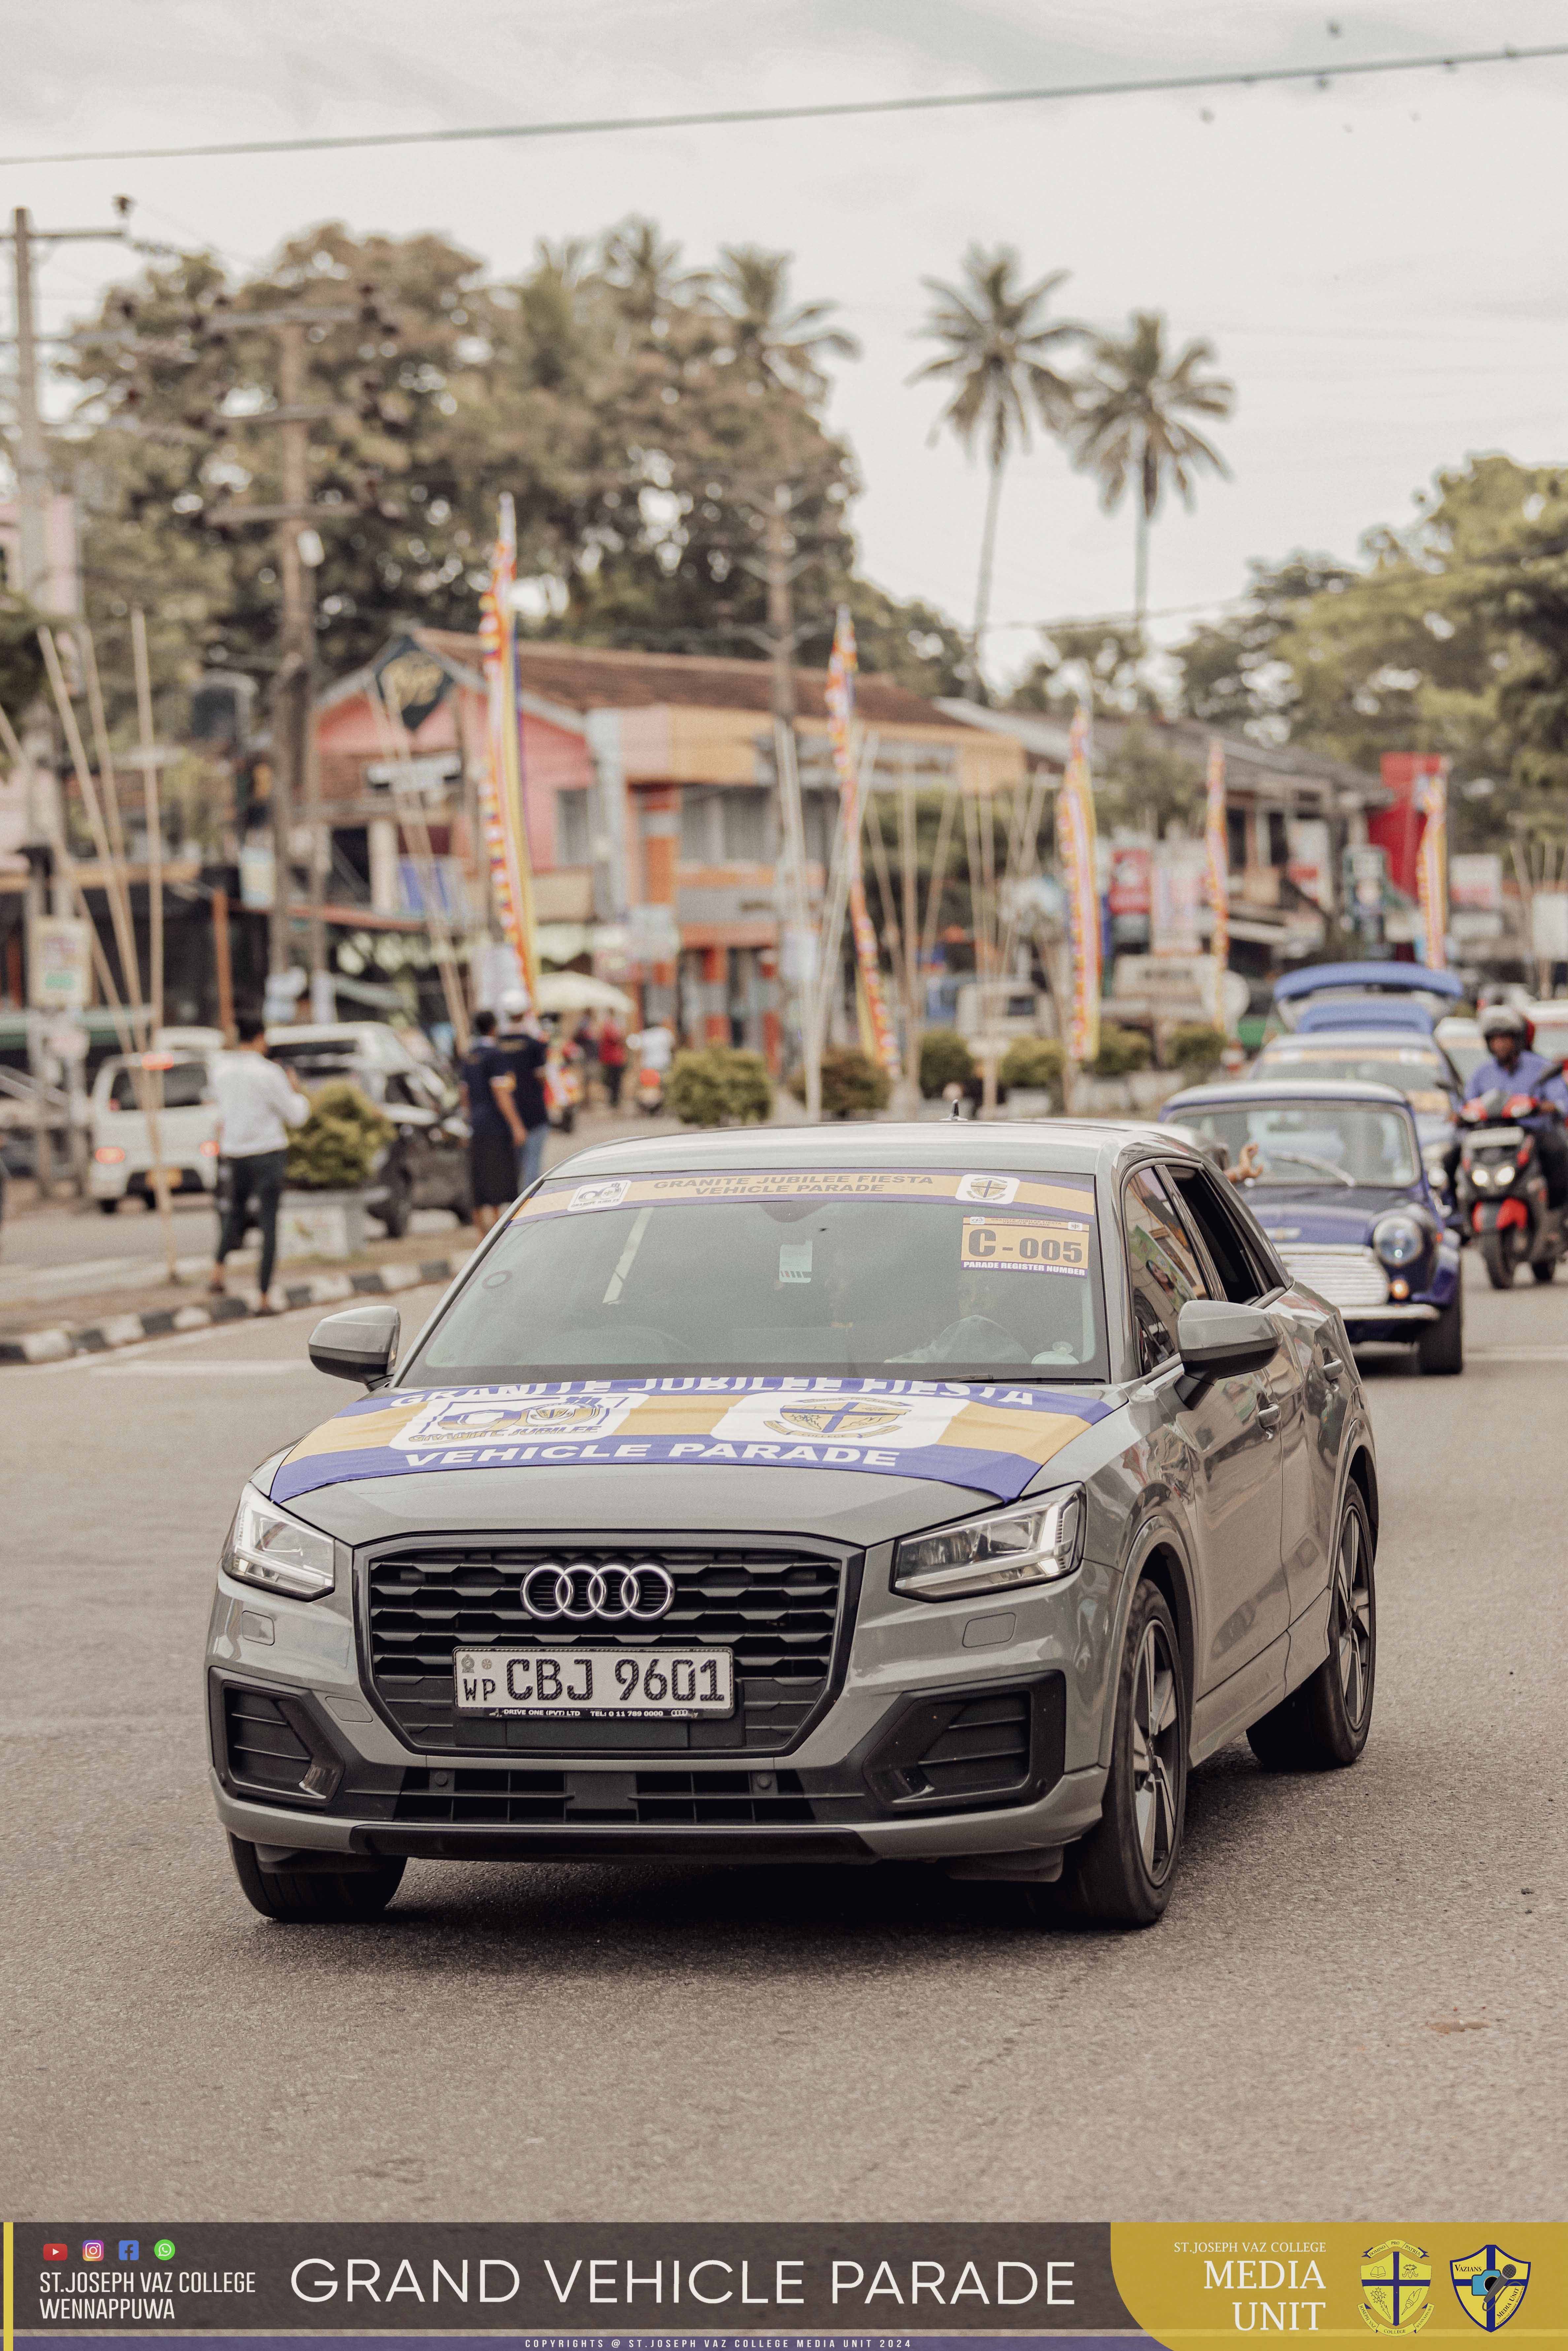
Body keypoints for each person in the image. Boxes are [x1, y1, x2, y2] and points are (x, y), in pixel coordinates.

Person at [209, 1012, 309, 1312]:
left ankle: (217, 1271)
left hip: (235, 1152)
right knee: (268, 1223)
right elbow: (296, 1116)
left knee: (235, 1214)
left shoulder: (221, 1071)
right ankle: (264, 1296)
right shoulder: (269, 1073)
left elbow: (220, 1114)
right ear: (261, 1039)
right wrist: (296, 1090)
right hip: (267, 1152)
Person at [1462, 1005, 1568, 1206]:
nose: (1500, 1045)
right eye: (1495, 1040)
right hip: (1491, 1139)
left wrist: (1548, 1106)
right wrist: (1459, 1115)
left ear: (1517, 1039)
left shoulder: (1540, 1067)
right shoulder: (1482, 1074)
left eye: (1505, 1039)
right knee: (1451, 1156)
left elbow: (1561, 1100)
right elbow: (1467, 1104)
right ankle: (1454, 1211)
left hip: (1531, 1135)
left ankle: (1557, 1211)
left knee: (1557, 1151)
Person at [458, 1008, 515, 1233]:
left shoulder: (469, 1055)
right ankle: (499, 1231)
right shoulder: (495, 1055)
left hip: (476, 1125)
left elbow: (464, 1093)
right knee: (499, 1176)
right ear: (494, 1027)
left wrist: (467, 1121)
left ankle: (482, 1232)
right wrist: (516, 1126)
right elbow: (501, 1094)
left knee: (479, 1177)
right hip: (495, 1124)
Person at [491, 987, 552, 1190]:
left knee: (516, 1166)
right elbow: (542, 1077)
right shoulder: (536, 1045)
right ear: (526, 1012)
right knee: (532, 1166)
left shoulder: (496, 1046)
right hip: (534, 1112)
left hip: (505, 1115)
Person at [597, 1013, 628, 1109]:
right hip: (612, 1059)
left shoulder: (612, 1027)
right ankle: (614, 1101)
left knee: (616, 1081)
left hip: (616, 1059)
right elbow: (616, 1038)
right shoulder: (609, 1027)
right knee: (612, 1081)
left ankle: (615, 1100)